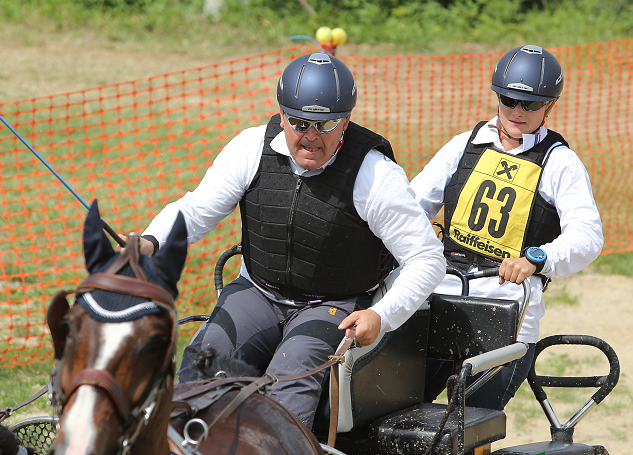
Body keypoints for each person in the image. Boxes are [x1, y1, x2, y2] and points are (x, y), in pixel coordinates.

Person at [132, 53, 445, 429]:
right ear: (281, 115)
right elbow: (196, 210)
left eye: (325, 124)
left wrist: (382, 315)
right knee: (202, 364)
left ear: (346, 120)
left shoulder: (376, 175)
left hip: (334, 305)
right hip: (258, 292)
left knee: (287, 386)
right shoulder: (250, 148)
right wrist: (149, 241)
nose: (310, 135)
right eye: (298, 122)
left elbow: (427, 259)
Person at [410, 45, 604, 411]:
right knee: (391, 414)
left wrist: (536, 258)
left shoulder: (560, 162)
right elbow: (409, 207)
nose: (517, 112)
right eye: (508, 99)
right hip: (440, 301)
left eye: (530, 104)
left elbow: (588, 236)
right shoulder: (463, 147)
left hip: (506, 319)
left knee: (465, 432)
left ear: (550, 106)